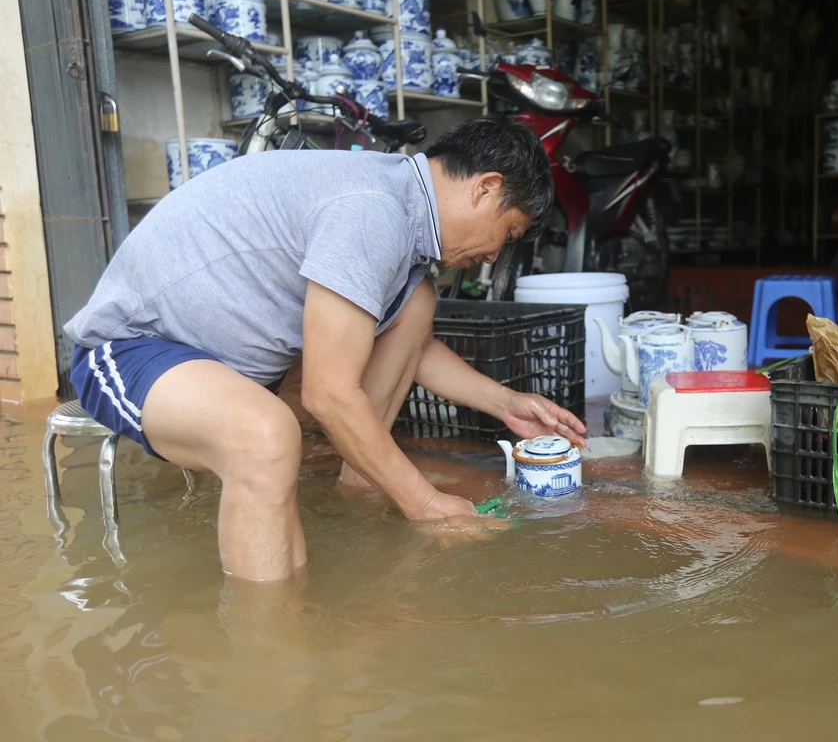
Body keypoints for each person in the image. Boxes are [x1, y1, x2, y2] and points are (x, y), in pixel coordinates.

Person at [63, 114, 586, 582]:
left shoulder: (399, 213)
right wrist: (425, 503)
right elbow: (328, 394)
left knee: (417, 304)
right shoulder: (373, 211)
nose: (494, 255)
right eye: (507, 231)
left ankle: (353, 496)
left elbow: (414, 349)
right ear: (486, 188)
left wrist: (507, 403)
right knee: (264, 436)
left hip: (229, 370)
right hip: (134, 348)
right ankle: (271, 661)